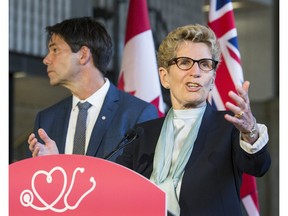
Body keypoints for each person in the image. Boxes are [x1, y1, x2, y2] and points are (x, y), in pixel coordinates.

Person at [116, 24, 271, 216]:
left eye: (205, 64)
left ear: (212, 79)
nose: (196, 72)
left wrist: (250, 132)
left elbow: (259, 165)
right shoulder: (141, 134)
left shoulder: (230, 126)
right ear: (164, 77)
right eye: (184, 62)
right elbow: (117, 188)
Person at [27, 17, 159, 161]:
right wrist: (52, 164)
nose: (46, 59)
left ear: (83, 55)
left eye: (55, 50)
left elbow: (144, 179)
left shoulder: (137, 114)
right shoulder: (46, 120)